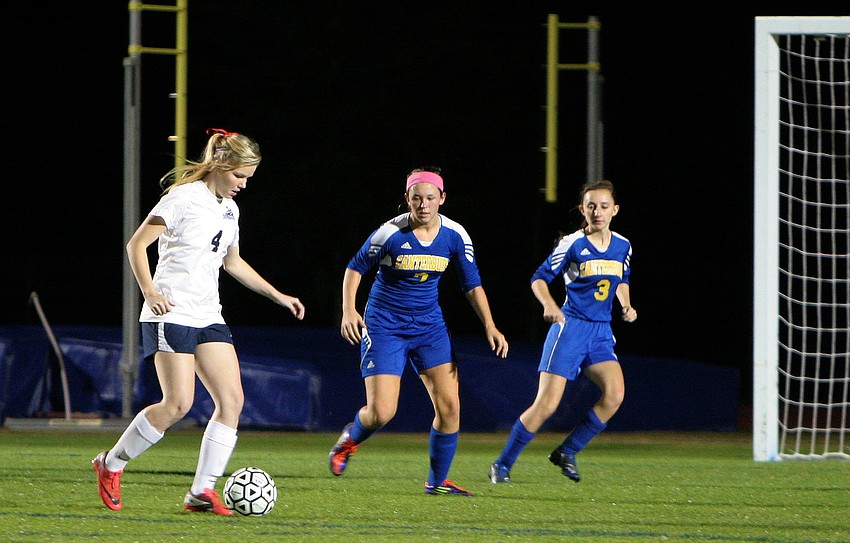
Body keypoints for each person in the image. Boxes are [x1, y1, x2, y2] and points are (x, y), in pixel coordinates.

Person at [92, 128, 305, 514]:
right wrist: (151, 293)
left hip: (209, 315)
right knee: (177, 404)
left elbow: (233, 262)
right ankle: (110, 464)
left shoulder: (230, 209)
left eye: (248, 178)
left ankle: (201, 491)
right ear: (221, 164)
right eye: (240, 176)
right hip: (170, 312)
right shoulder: (183, 198)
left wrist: (278, 295)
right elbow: (136, 244)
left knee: (232, 400)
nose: (243, 185)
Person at [329, 167, 509, 496]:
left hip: (429, 326)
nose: (423, 205)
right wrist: (348, 310)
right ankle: (349, 440)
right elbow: (355, 267)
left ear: (442, 199)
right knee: (382, 412)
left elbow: (471, 284)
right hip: (385, 325)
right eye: (416, 198)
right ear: (407, 199)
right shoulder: (390, 234)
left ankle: (437, 482)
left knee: (450, 408)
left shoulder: (455, 235)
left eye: (430, 198)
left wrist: (490, 325)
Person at [489, 180, 636, 484]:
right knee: (546, 405)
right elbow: (538, 279)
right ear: (583, 209)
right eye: (591, 205)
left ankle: (568, 450)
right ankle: (502, 465)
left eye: (604, 206)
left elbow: (621, 279)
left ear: (615, 210)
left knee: (615, 394)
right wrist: (549, 305)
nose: (597, 211)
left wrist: (626, 305)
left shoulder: (623, 245)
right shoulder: (571, 244)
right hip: (569, 328)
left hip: (600, 332)